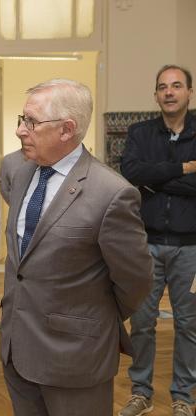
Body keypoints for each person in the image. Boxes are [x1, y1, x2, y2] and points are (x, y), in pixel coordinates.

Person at [1, 79, 153, 416]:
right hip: (17, 349)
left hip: (75, 358)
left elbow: (137, 280)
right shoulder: (21, 173)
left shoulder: (111, 193)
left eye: (30, 121)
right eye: (21, 119)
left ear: (66, 129)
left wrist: (87, 319)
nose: (20, 131)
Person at [119, 64, 196, 416]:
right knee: (143, 322)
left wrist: (156, 180)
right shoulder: (140, 132)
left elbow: (147, 178)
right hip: (145, 244)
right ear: (155, 94)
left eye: (176, 85)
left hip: (192, 247)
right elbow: (132, 174)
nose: (169, 92)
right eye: (163, 86)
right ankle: (141, 392)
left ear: (189, 93)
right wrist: (183, 169)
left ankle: (183, 395)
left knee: (189, 324)